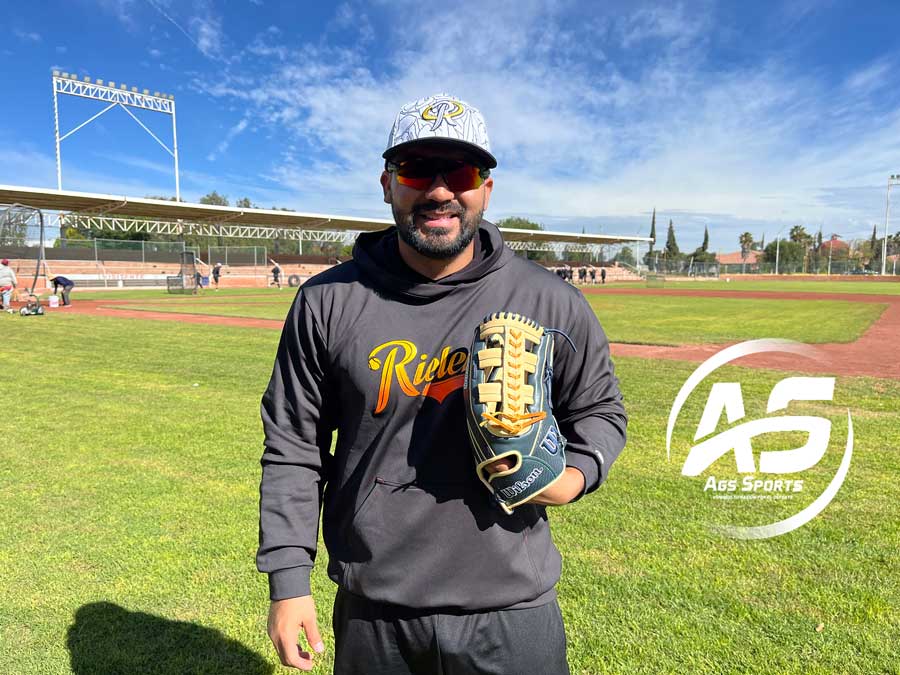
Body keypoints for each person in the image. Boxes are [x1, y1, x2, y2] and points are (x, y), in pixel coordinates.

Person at [258, 93, 628, 674]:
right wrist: (288, 580)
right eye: (416, 170)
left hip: (511, 606)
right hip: (374, 609)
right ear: (387, 183)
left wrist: (574, 476)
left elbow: (601, 410)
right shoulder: (327, 302)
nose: (438, 191)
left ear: (486, 188)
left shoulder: (549, 300)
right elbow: (293, 446)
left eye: (460, 172)